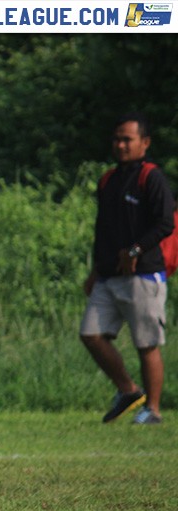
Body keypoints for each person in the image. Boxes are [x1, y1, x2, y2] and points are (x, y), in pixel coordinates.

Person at [81, 112, 175, 425]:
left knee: (146, 344)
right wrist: (96, 269)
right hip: (109, 275)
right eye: (116, 139)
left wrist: (136, 250)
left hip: (144, 274)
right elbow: (103, 229)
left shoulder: (151, 177)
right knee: (91, 334)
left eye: (127, 139)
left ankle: (153, 410)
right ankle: (128, 390)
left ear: (144, 143)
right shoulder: (108, 180)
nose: (120, 145)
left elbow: (165, 223)